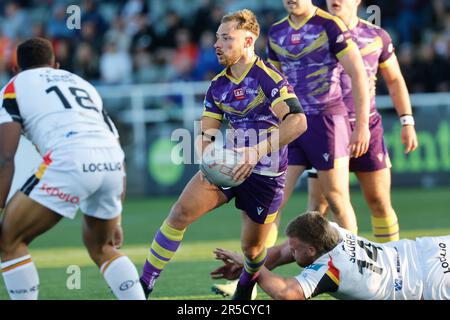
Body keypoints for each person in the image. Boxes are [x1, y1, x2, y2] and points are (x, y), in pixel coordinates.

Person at [139, 9, 307, 300]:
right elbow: (205, 134)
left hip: (265, 174)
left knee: (252, 249)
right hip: (227, 168)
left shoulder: (267, 78)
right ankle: (142, 287)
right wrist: (208, 157)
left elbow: (298, 122)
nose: (217, 44)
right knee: (179, 214)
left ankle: (244, 290)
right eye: (217, 38)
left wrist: (254, 152)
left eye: (227, 38)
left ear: (248, 41)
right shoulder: (218, 85)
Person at [212, 0, 371, 298]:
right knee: (272, 206)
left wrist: (360, 123)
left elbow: (358, 73)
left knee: (336, 198)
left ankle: (353, 271)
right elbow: (269, 82)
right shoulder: (277, 31)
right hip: (288, 125)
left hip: (327, 120)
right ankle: (248, 281)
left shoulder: (329, 25)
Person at [0, 38, 145, 300]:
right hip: (112, 162)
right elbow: (113, 142)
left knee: (8, 240)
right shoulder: (82, 83)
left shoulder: (13, 86)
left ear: (16, 70)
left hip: (69, 159)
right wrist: (117, 215)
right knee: (102, 246)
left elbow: (5, 156)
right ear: (56, 65)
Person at [307, 0, 419, 242]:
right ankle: (321, 272)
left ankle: (392, 268)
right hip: (326, 129)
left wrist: (407, 121)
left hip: (367, 126)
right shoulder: (312, 33)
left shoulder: (376, 36)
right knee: (319, 206)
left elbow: (395, 80)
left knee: (379, 201)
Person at [211, 211, 450, 300]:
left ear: (312, 250)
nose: (290, 252)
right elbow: (282, 252)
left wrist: (251, 266)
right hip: (428, 248)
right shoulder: (333, 231)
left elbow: (284, 293)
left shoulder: (331, 269)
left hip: (430, 282)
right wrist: (247, 268)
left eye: (296, 249)